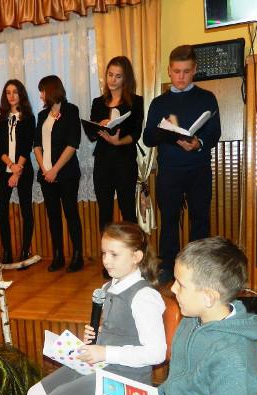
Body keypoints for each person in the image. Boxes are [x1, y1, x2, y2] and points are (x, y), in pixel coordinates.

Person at [67, 236, 257, 395]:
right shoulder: (192, 321)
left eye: (181, 284)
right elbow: (175, 387)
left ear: (208, 297)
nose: (172, 289)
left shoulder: (235, 357)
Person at [22, 222, 166, 395]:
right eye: (103, 253)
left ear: (136, 257)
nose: (106, 260)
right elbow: (120, 332)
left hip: (124, 379)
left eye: (114, 254)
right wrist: (96, 336)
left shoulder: (144, 296)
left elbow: (157, 353)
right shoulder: (110, 287)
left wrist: (105, 352)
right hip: (101, 366)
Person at [143, 45, 221, 284]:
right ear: (169, 70)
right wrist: (169, 133)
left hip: (199, 168)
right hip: (169, 170)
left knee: (200, 220)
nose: (181, 77)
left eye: (186, 71)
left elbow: (215, 133)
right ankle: (168, 266)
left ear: (194, 70)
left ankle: (199, 270)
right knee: (168, 220)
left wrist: (198, 143)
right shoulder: (159, 103)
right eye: (176, 71)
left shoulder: (207, 98)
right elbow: (148, 138)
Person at [34, 75, 84, 272]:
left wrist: (55, 170)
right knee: (53, 216)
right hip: (46, 175)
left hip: (67, 174)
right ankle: (58, 255)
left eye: (42, 91)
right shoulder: (41, 115)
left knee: (71, 214)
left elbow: (73, 144)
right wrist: (45, 170)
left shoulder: (71, 110)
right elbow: (37, 145)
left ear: (51, 90)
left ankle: (78, 256)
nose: (40, 95)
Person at [91, 56, 144, 232]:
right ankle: (107, 248)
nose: (112, 79)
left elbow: (136, 134)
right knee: (104, 212)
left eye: (118, 76)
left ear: (126, 78)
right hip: (102, 162)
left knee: (127, 210)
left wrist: (119, 141)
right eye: (110, 74)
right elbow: (92, 134)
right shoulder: (98, 103)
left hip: (125, 161)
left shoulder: (136, 102)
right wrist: (99, 125)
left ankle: (133, 248)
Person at [0, 79, 36, 264]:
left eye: (15, 92)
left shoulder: (29, 118)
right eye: (8, 92)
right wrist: (11, 166)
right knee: (1, 211)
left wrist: (17, 172)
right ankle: (7, 252)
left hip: (24, 170)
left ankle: (25, 251)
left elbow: (27, 146)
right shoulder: (1, 119)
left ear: (21, 95)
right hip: (4, 169)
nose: (11, 96)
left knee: (26, 210)